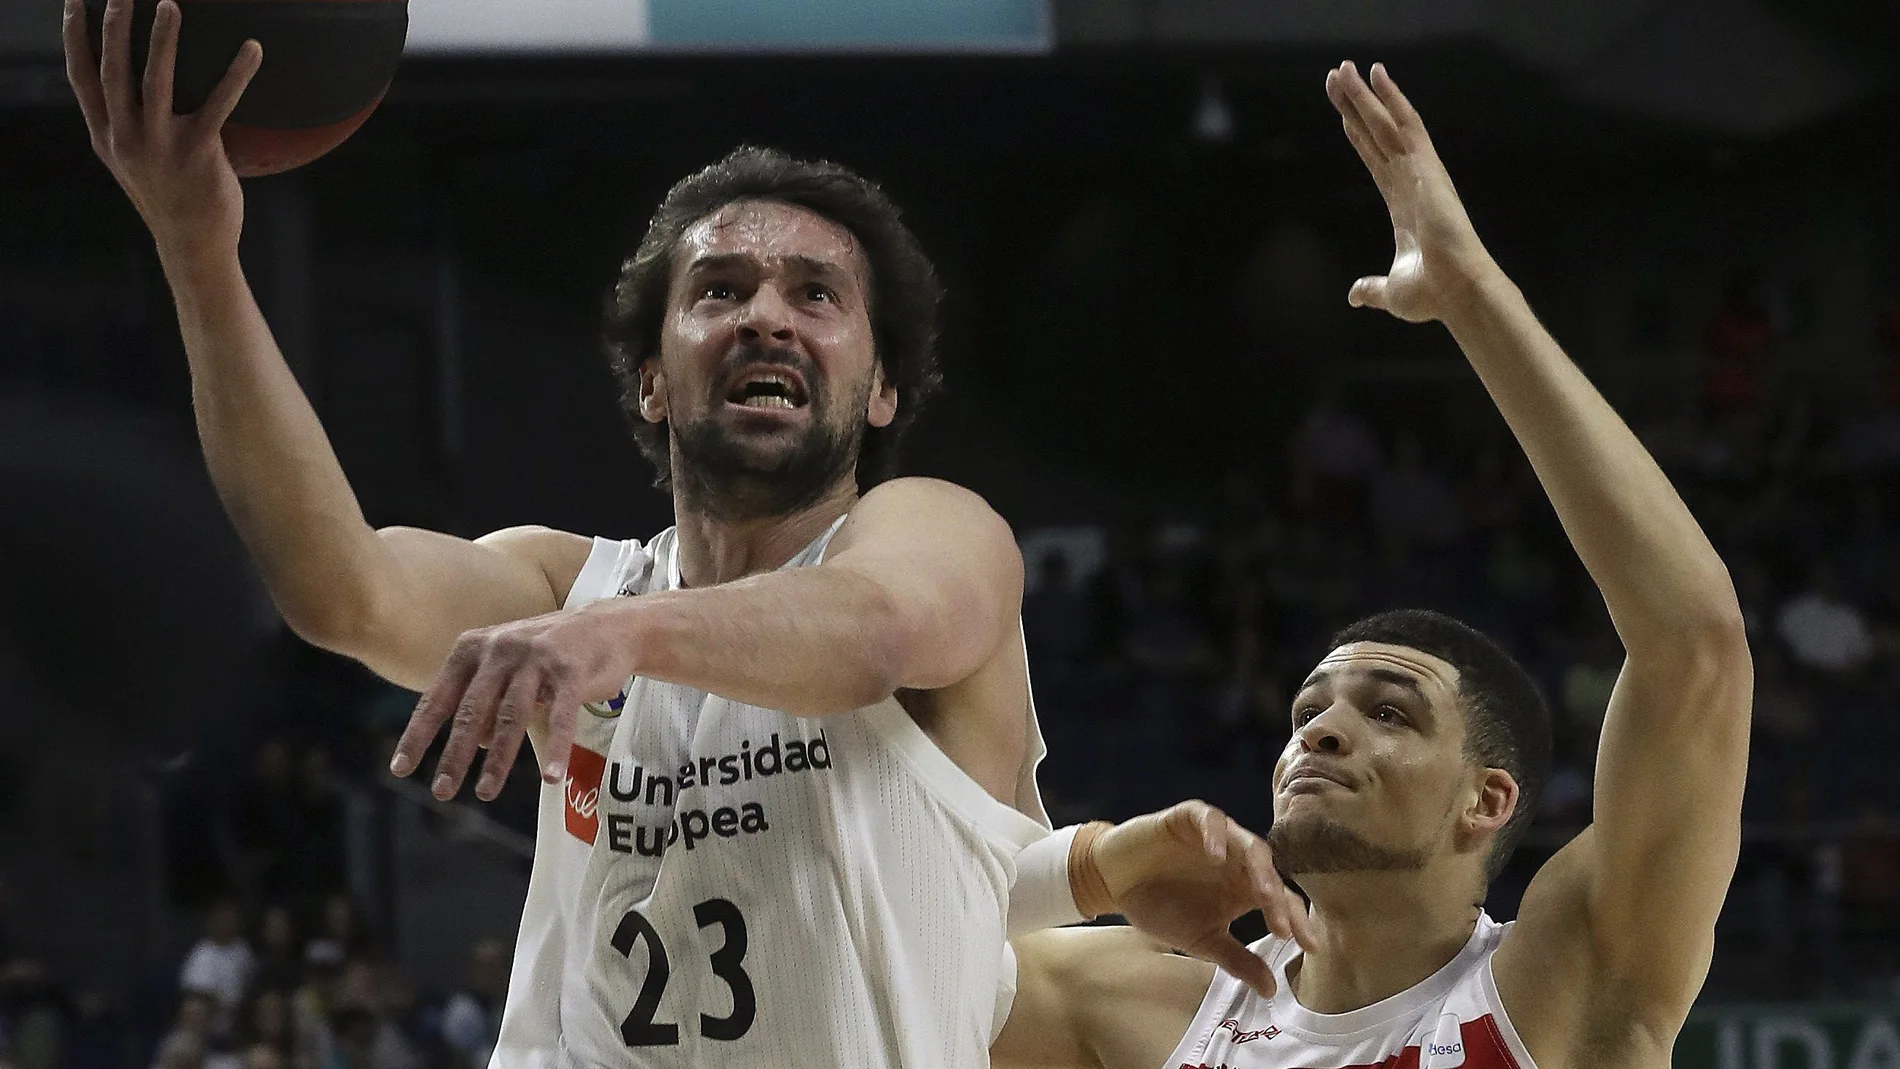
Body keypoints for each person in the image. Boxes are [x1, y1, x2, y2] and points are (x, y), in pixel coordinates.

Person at [65, 3, 1301, 1066]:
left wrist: (617, 637)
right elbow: (341, 591)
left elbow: (873, 629)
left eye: (816, 294)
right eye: (719, 291)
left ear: (880, 390)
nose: (767, 316)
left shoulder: (931, 530)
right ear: (653, 382)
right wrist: (197, 251)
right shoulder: (569, 584)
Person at [992, 62, 1751, 1069]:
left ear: (1486, 800)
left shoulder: (1562, 986)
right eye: (1308, 711)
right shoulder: (1140, 1006)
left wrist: (1474, 296)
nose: (1321, 732)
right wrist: (1092, 866)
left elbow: (1694, 646)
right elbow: (852, 941)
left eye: (1389, 711)